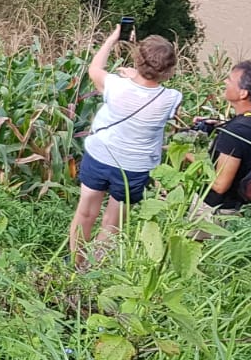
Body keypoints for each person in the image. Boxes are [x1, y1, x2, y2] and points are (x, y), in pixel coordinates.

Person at [68, 26, 182, 266]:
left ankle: (74, 264)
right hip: (134, 168)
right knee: (113, 223)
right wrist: (137, 78)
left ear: (137, 60)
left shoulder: (116, 85)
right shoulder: (171, 98)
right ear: (169, 70)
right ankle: (92, 269)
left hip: (99, 156)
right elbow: (152, 95)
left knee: (86, 212)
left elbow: (94, 69)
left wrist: (112, 39)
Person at [198, 59, 251, 217]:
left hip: (217, 208)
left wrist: (192, 157)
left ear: (243, 93)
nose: (225, 82)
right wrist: (219, 125)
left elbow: (220, 185)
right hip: (244, 202)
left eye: (230, 80)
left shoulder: (235, 133)